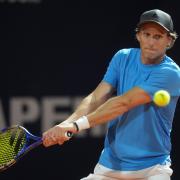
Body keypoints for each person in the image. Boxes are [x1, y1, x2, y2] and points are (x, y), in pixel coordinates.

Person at [42, 9, 180, 180]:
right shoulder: (122, 57)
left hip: (152, 169)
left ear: (169, 40)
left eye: (158, 36)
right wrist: (66, 123)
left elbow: (124, 103)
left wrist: (76, 126)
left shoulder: (171, 73)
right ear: (138, 36)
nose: (151, 41)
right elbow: (96, 97)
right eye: (147, 34)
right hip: (110, 166)